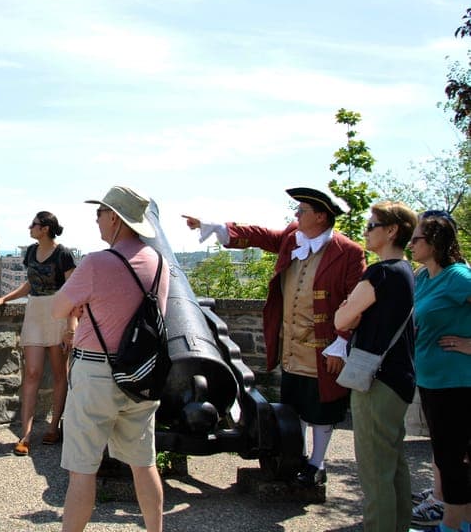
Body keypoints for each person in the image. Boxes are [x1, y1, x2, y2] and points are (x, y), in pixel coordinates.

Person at [184, 186, 366, 487]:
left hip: (324, 344)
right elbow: (261, 235)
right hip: (292, 341)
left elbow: (357, 300)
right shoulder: (294, 237)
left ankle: (317, 464)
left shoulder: (348, 252)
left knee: (322, 407)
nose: (296, 214)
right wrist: (214, 226)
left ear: (321, 216)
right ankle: (299, 456)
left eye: (302, 210)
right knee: (296, 404)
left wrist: (342, 342)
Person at [51, 186, 169, 532]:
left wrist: (81, 305)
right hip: (141, 373)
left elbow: (58, 308)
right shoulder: (159, 263)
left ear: (115, 219)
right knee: (144, 465)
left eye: (100, 213)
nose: (97, 220)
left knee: (82, 470)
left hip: (96, 372)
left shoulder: (97, 262)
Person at [334, 201, 417, 531]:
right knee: (394, 464)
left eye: (371, 226)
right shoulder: (407, 272)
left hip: (376, 380)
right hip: (400, 377)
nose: (366, 232)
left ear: (392, 230)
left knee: (374, 471)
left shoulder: (380, 273)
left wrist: (349, 311)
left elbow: (341, 319)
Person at [0, 211, 77, 456]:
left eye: (34, 224)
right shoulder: (30, 251)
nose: (30, 227)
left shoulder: (64, 254)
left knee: (60, 374)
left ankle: (54, 427)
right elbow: (30, 284)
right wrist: (5, 298)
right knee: (33, 373)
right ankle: (25, 434)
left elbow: (73, 292)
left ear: (45, 228)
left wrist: (71, 328)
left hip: (57, 313)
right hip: (35, 312)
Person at [409, 210, 471, 532]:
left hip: (458, 382)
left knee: (451, 460)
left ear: (434, 241)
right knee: (449, 456)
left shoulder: (459, 277)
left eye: (416, 239)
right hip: (431, 381)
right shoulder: (422, 277)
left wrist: (470, 344)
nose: (411, 244)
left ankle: (450, 526)